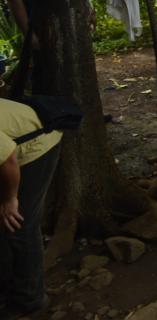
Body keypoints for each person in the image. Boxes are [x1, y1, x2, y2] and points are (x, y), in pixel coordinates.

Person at [0, 99, 62, 315]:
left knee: (19, 224)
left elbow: (8, 160)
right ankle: (8, 285)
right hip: (12, 146)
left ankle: (30, 299)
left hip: (36, 146)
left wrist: (10, 199)